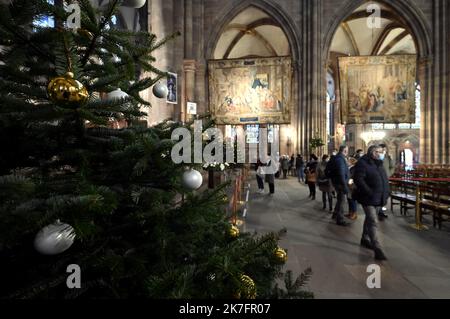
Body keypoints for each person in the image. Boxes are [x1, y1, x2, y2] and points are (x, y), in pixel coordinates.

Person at [353, 145, 389, 260]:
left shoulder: (379, 164)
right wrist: (368, 191)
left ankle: (365, 238)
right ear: (373, 153)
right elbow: (358, 179)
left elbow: (384, 179)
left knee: (369, 219)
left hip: (378, 197)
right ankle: (377, 248)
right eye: (379, 152)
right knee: (373, 220)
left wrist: (386, 192)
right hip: (367, 197)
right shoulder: (363, 163)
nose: (381, 154)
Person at [330, 145, 350, 226]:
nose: (347, 152)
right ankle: (340, 219)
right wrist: (345, 186)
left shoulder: (338, 158)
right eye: (347, 150)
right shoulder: (340, 159)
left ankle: (335, 214)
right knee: (342, 201)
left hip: (338, 182)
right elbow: (341, 174)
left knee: (339, 200)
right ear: (344, 150)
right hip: (340, 183)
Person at [378, 143, 395, 220]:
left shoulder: (388, 157)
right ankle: (379, 211)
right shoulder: (376, 156)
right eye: (382, 149)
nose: (384, 150)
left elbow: (392, 166)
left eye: (385, 149)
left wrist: (389, 174)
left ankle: (381, 210)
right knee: (378, 194)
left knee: (385, 194)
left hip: (385, 178)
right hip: (377, 178)